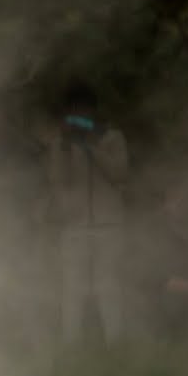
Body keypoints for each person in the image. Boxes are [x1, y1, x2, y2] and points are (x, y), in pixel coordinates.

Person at [40, 83, 130, 346]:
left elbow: (119, 174)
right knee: (72, 287)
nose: (80, 115)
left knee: (108, 284)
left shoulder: (112, 138)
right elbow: (56, 180)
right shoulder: (61, 144)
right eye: (74, 111)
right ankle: (71, 343)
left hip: (108, 223)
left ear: (93, 112)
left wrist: (92, 147)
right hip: (74, 224)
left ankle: (115, 340)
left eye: (84, 110)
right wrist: (68, 147)